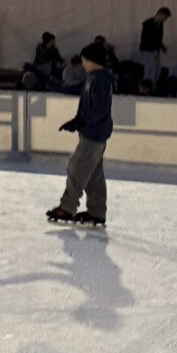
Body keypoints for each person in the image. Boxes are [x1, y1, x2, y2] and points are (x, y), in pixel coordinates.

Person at [48, 42, 114, 226]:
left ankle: (67, 208)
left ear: (93, 60)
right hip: (92, 132)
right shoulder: (92, 77)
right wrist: (48, 81)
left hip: (94, 134)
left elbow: (99, 110)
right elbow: (74, 91)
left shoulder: (101, 80)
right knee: (93, 174)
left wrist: (80, 122)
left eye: (85, 59)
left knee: (76, 167)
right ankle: (97, 211)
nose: (82, 62)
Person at [137, 7, 171, 88]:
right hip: (147, 50)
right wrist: (153, 50)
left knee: (156, 69)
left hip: (155, 51)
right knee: (150, 69)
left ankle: (152, 86)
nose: (165, 19)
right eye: (165, 17)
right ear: (160, 14)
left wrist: (162, 47)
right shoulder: (148, 24)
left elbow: (157, 39)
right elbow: (146, 38)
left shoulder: (160, 25)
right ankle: (147, 87)